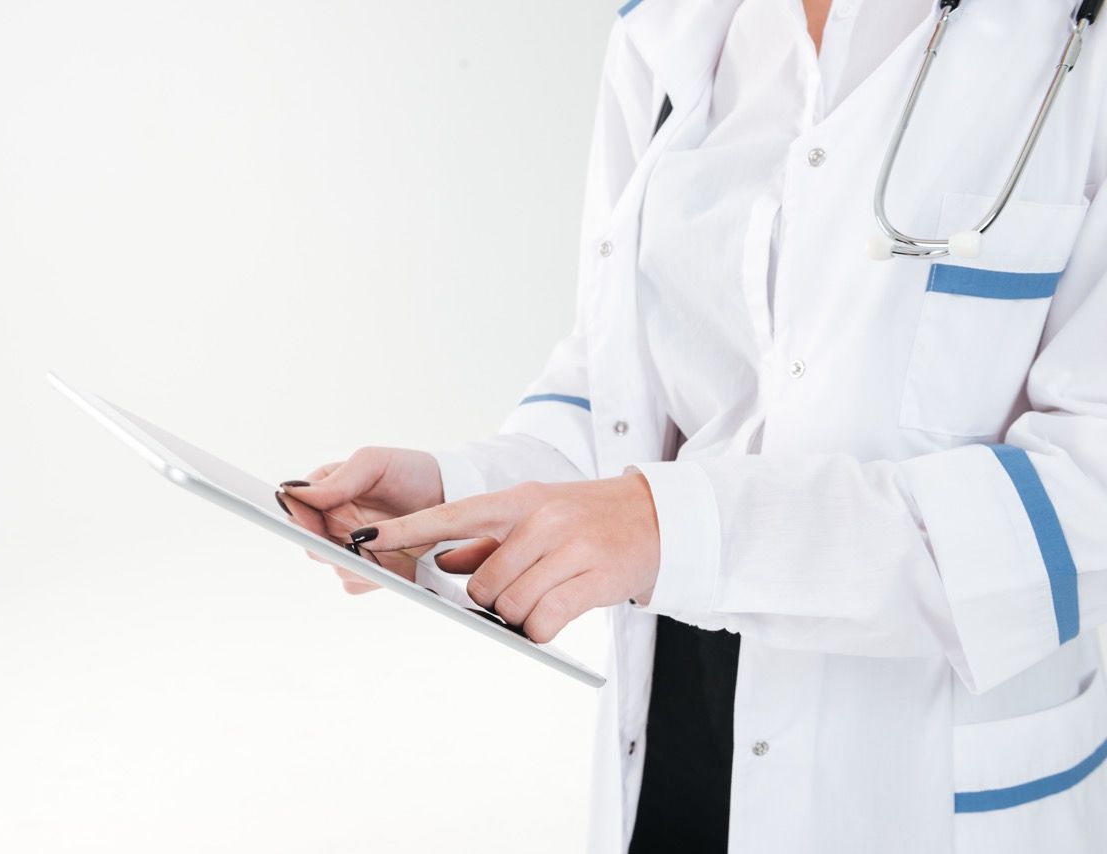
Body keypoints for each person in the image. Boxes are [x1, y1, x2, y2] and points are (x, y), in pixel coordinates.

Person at [280, 1, 1107, 851]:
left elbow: (1088, 505)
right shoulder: (671, 33)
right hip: (675, 738)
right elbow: (619, 395)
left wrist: (675, 527)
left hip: (912, 785)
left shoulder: (1078, 47)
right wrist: (460, 495)